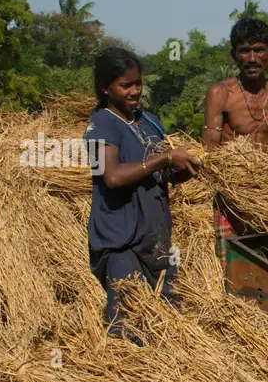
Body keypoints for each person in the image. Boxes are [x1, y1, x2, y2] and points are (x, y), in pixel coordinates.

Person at [85, 47, 203, 333]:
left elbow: (166, 175)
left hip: (156, 239)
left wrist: (190, 165)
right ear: (105, 88)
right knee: (130, 323)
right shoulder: (101, 125)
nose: (135, 91)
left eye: (138, 83)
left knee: (169, 322)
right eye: (125, 85)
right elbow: (111, 176)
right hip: (120, 240)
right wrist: (165, 158)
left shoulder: (149, 121)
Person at [201, 17, 268, 269]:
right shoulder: (220, 93)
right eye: (244, 51)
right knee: (231, 267)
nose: (252, 58)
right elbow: (209, 150)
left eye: (259, 50)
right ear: (233, 54)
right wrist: (232, 189)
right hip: (231, 194)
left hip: (267, 191)